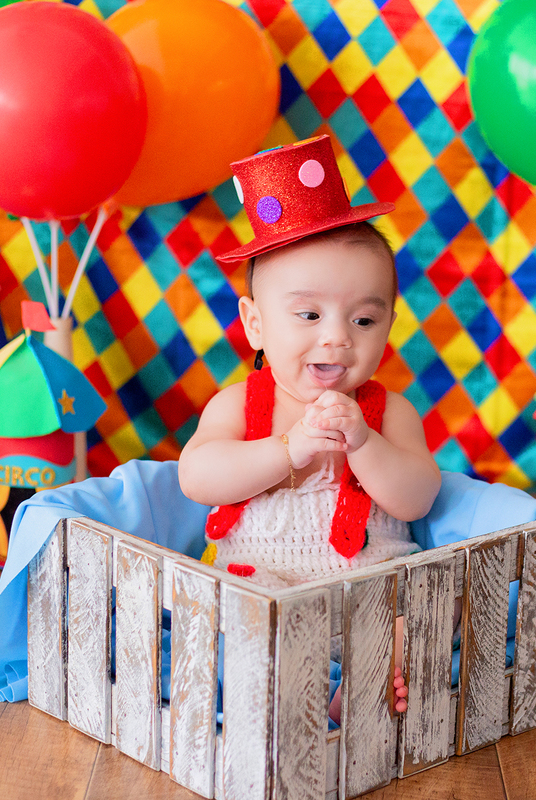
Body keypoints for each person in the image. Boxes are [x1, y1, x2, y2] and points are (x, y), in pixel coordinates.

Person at [178, 135, 441, 720]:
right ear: (255, 324)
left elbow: (418, 497)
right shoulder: (238, 405)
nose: (338, 336)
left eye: (364, 318)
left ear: (389, 325)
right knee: (238, 612)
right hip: (266, 581)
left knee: (423, 608)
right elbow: (197, 477)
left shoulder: (389, 411)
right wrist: (286, 448)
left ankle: (371, 675)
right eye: (308, 314)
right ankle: (294, 686)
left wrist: (366, 446)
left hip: (365, 587)